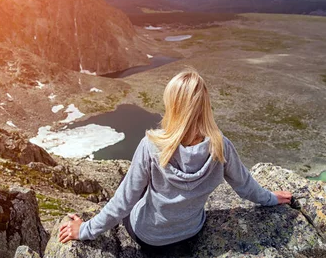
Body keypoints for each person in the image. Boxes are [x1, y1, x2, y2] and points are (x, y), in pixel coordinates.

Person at [58, 69, 293, 250]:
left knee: (132, 190)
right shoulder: (221, 145)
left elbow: (123, 203)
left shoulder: (151, 146)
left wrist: (85, 229)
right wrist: (271, 198)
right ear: (204, 107)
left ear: (173, 106)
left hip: (149, 236)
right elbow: (245, 187)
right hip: (191, 231)